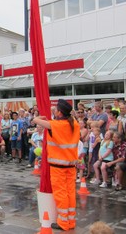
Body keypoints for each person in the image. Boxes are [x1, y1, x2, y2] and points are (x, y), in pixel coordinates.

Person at [33, 99, 80, 231]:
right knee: (70, 193)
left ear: (59, 112)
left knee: (61, 194)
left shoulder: (56, 125)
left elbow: (36, 121)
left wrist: (39, 117)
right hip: (71, 165)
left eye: (55, 109)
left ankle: (63, 222)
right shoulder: (74, 123)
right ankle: (70, 221)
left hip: (58, 166)